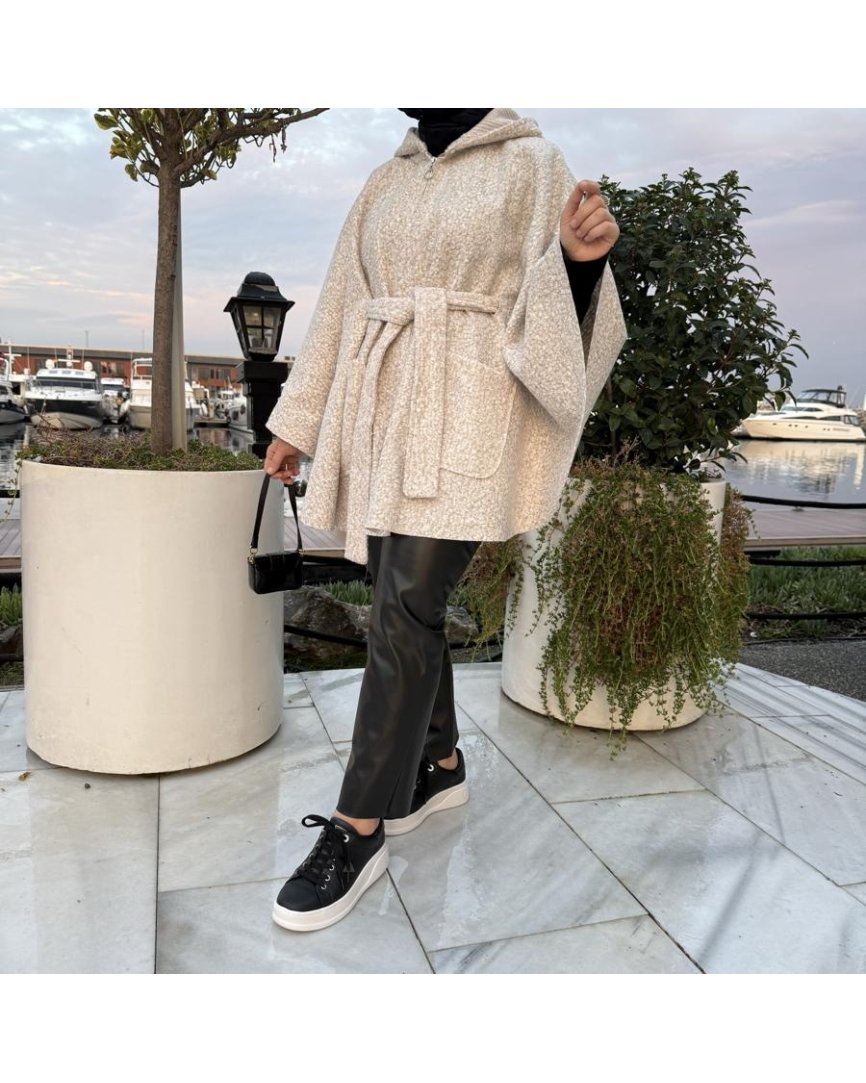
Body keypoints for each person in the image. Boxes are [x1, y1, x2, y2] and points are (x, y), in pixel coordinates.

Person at [262, 108, 626, 933]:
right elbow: (342, 303)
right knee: (406, 598)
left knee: (404, 603)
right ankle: (441, 762)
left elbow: (564, 321)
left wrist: (577, 266)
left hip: (471, 411)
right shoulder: (385, 179)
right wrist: (297, 422)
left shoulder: (531, 162)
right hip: (389, 411)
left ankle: (358, 827)